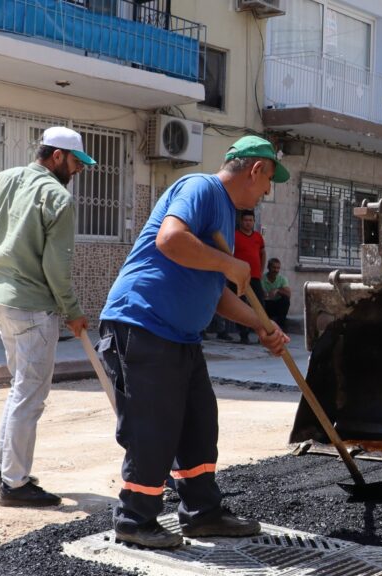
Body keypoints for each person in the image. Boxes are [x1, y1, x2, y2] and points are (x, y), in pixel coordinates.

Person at [98, 135, 290, 548]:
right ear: (255, 169)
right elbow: (169, 239)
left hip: (181, 335)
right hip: (142, 323)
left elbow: (215, 292)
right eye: (269, 179)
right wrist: (230, 263)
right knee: (154, 427)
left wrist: (260, 324)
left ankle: (202, 513)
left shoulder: (224, 216)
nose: (268, 191)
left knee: (200, 423)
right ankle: (135, 519)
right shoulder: (201, 188)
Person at [0, 126, 96, 508]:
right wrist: (74, 311)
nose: (79, 169)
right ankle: (15, 485)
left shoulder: (3, 179)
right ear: (56, 157)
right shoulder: (57, 197)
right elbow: (56, 266)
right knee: (30, 394)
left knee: (20, 386)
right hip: (33, 306)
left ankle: (3, 469)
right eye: (76, 161)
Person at [233, 210, 267, 344]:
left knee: (259, 304)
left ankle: (262, 333)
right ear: (241, 221)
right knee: (239, 304)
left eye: (250, 220)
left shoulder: (258, 237)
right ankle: (243, 334)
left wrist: (261, 270)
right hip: (238, 277)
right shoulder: (234, 235)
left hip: (255, 277)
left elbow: (263, 253)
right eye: (246, 220)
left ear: (254, 222)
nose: (248, 223)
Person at [262, 257, 292, 326]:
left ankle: (281, 326)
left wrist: (277, 290)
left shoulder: (282, 279)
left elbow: (289, 294)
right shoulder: (262, 278)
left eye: (278, 268)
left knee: (286, 300)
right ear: (268, 267)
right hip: (266, 305)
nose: (276, 270)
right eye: (274, 267)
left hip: (277, 306)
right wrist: (264, 294)